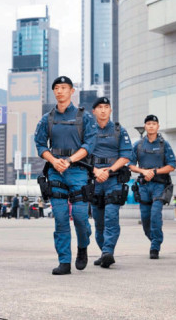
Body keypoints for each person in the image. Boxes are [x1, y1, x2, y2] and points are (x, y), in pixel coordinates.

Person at [34, 75, 97, 275]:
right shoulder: (48, 119)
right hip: (56, 172)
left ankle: (83, 246)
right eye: (57, 88)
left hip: (78, 171)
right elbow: (41, 145)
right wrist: (54, 161)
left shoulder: (84, 117)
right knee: (60, 218)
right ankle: (64, 261)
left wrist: (69, 161)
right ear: (54, 92)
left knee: (79, 216)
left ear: (72, 91)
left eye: (64, 87)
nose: (60, 91)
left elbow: (89, 145)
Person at [88, 97, 132, 269]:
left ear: (110, 110)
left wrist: (109, 170)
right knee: (98, 222)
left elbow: (126, 156)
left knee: (111, 217)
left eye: (107, 107)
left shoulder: (119, 130)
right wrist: (96, 171)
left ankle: (108, 251)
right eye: (100, 107)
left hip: (113, 180)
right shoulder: (87, 131)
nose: (103, 110)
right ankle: (104, 253)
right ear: (94, 111)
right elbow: (82, 155)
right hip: (95, 180)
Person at [128, 114, 176, 260]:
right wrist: (144, 172)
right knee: (145, 218)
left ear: (158, 126)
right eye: (148, 124)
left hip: (159, 185)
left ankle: (155, 245)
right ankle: (154, 238)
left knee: (155, 214)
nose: (151, 126)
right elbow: (130, 164)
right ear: (145, 126)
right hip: (144, 186)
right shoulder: (138, 145)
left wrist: (154, 172)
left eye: (153, 124)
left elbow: (172, 166)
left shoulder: (164, 144)